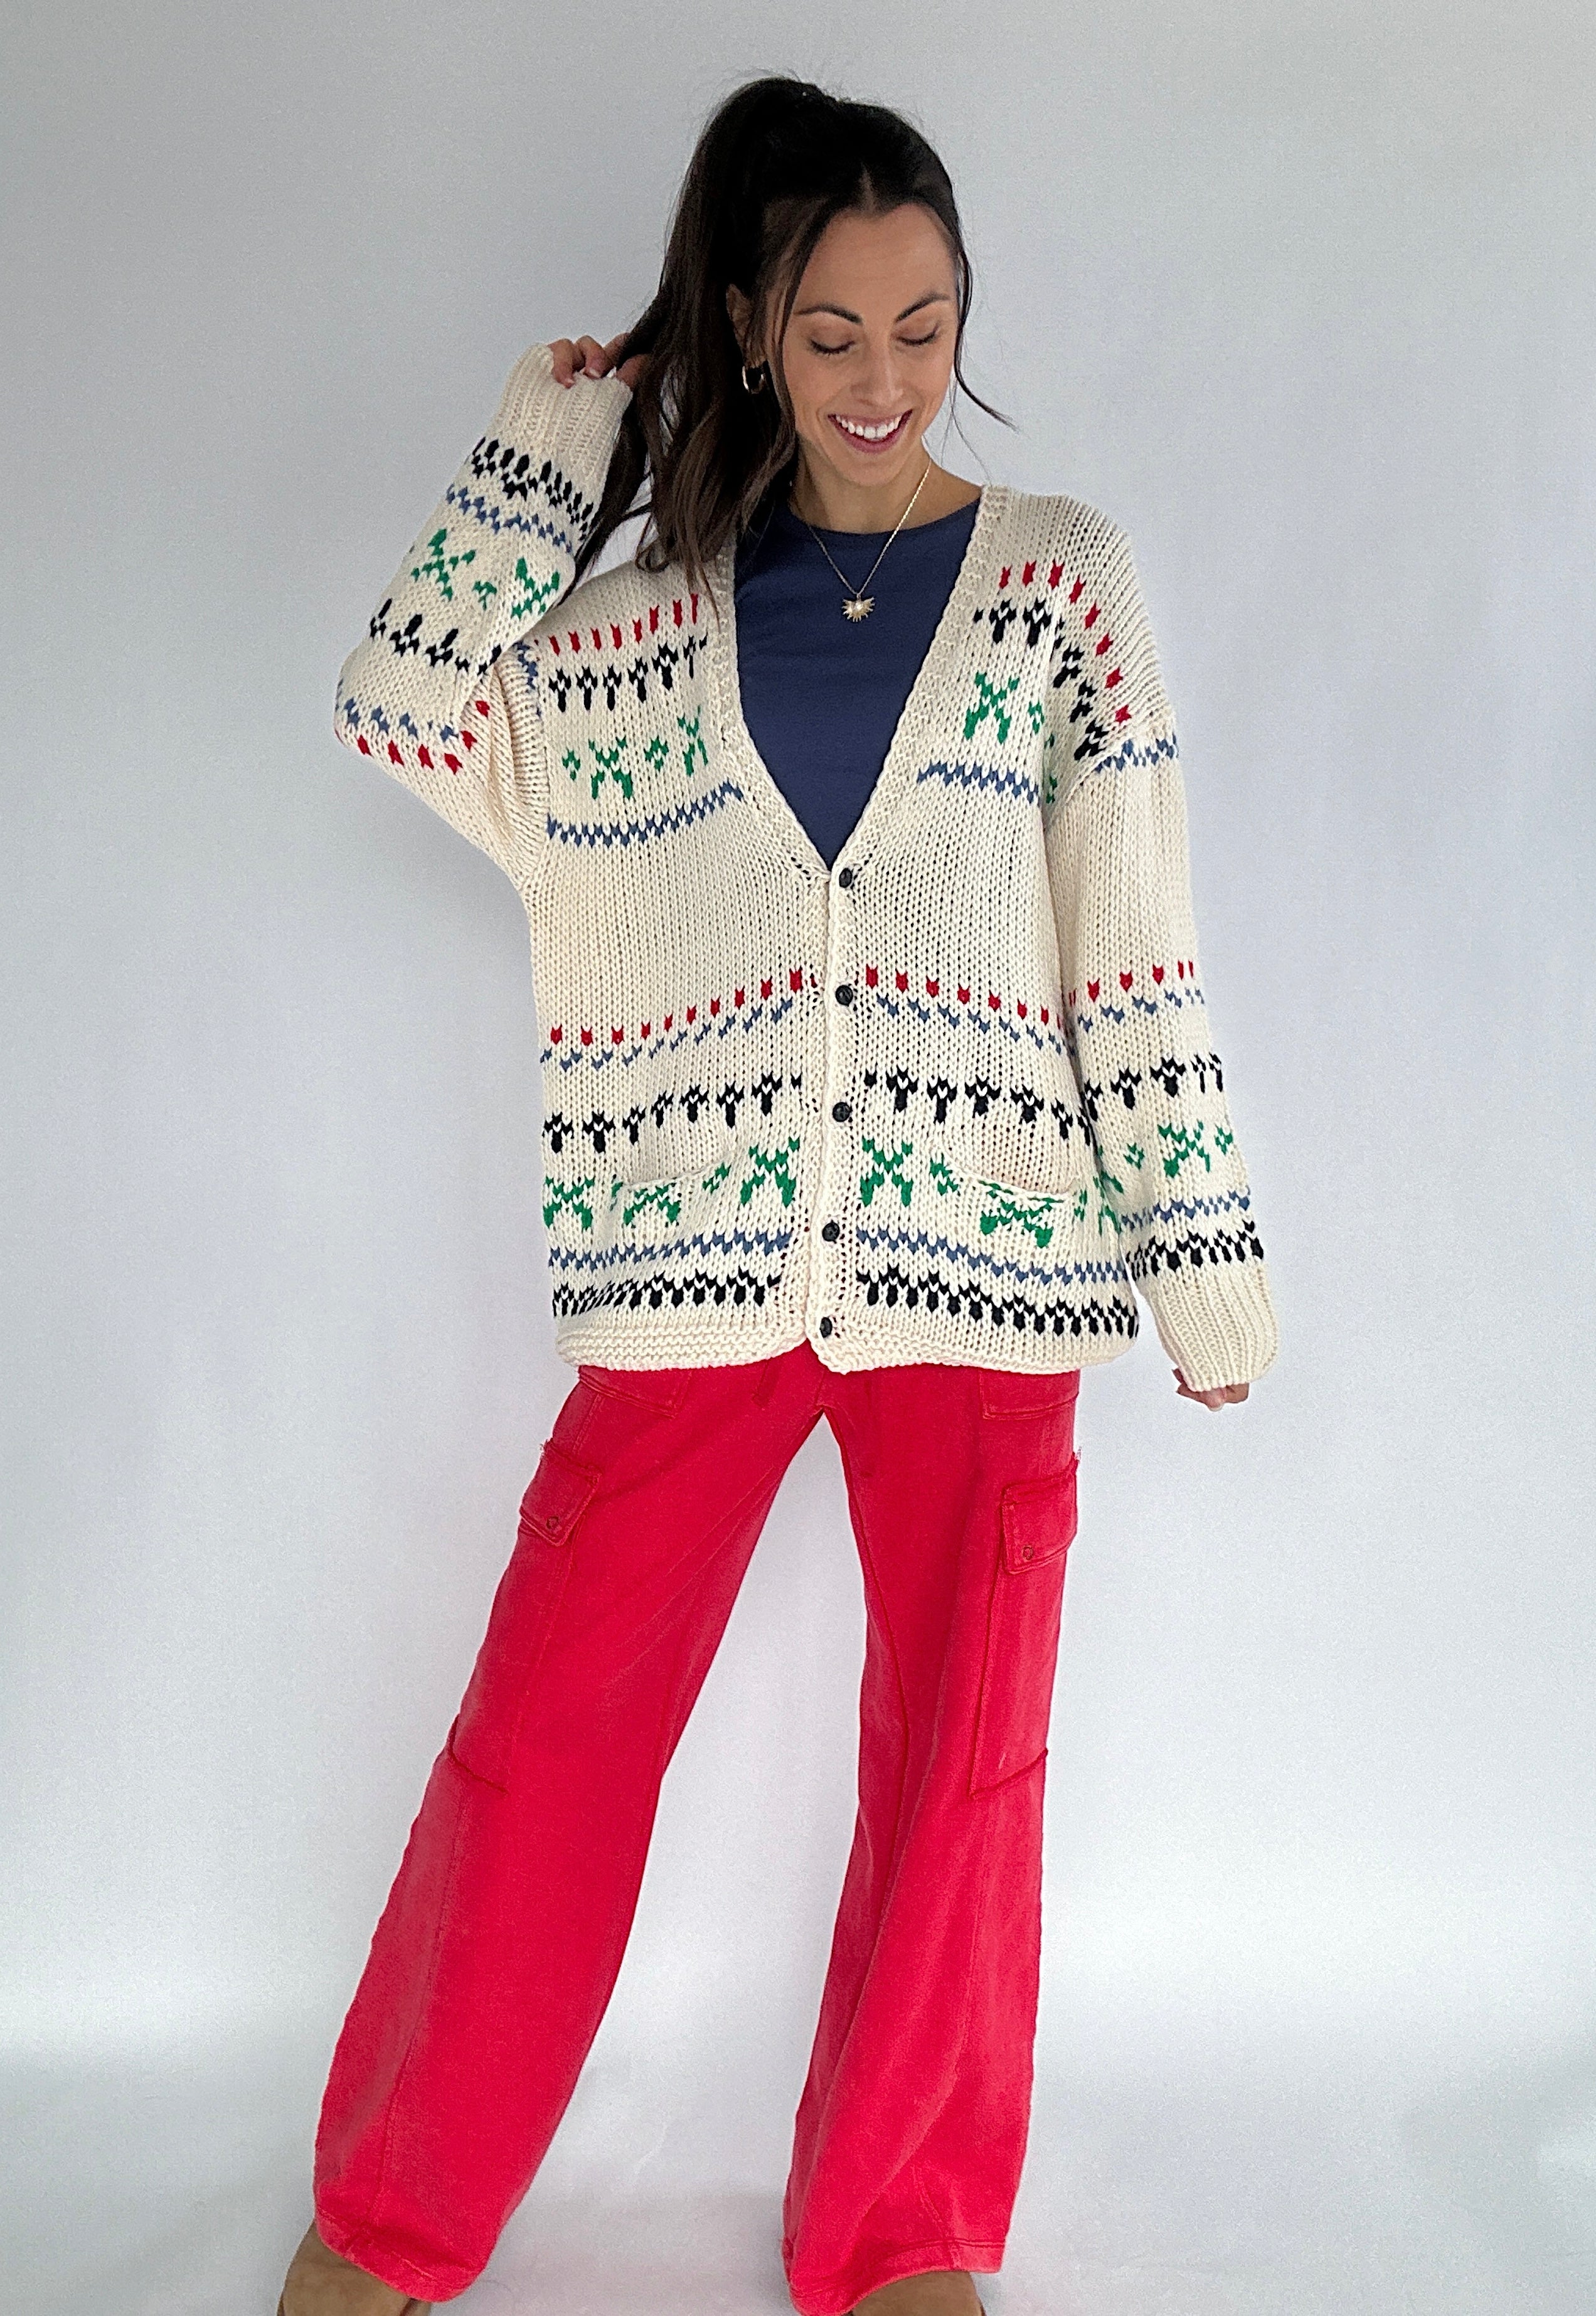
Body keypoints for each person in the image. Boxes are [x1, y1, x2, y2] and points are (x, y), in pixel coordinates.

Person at [277, 70, 1277, 2316]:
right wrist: (545, 450)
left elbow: (1131, 935)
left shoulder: (1056, 587)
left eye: (924, 324)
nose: (884, 377)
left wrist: (1200, 1255)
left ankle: (903, 2230)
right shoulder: (634, 633)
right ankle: (392, 2217)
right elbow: (396, 704)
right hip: (686, 1279)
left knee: (962, 1775)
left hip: (990, 1276)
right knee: (540, 1750)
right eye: (832, 332)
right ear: (747, 326)